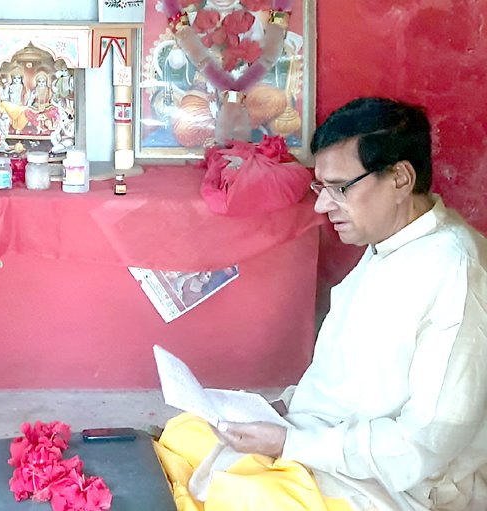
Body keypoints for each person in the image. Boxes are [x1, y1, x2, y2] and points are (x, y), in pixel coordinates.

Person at [155, 97, 487, 511]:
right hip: (320, 438)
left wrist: (289, 443)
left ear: (401, 179)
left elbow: (425, 444)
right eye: (321, 188)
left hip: (394, 483)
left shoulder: (457, 270)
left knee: (244, 495)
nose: (321, 205)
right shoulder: (389, 243)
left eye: (339, 189)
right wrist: (278, 409)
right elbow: (341, 378)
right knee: (186, 433)